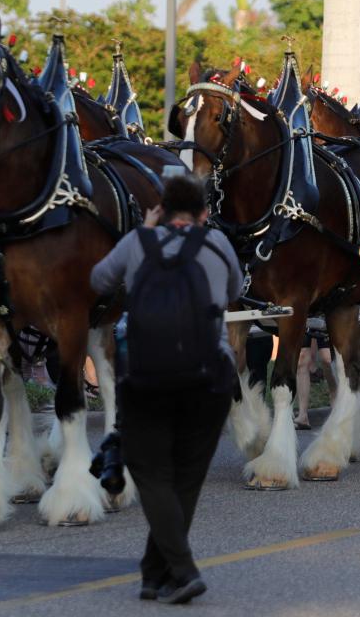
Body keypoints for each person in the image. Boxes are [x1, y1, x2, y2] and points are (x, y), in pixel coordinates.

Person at [90, 174, 241, 605]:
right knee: (186, 478)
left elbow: (99, 281)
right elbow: (233, 292)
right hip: (208, 379)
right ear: (204, 213)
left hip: (146, 376)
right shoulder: (218, 244)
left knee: (153, 474)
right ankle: (168, 572)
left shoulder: (139, 241)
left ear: (161, 208)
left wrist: (147, 231)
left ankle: (165, 572)